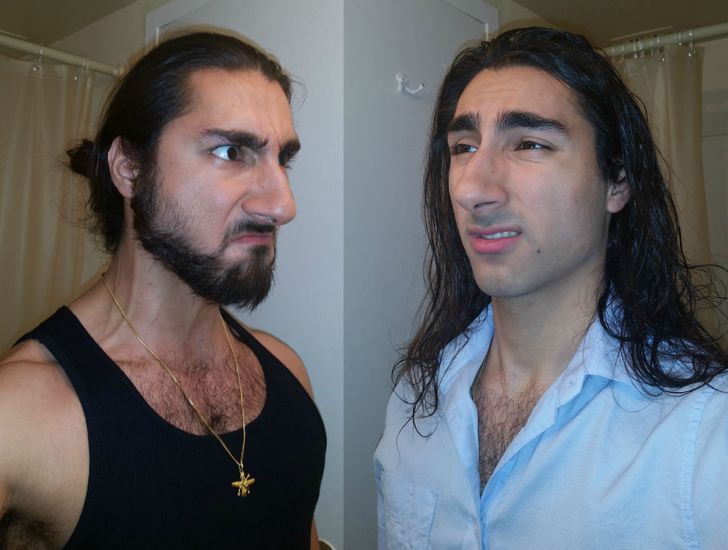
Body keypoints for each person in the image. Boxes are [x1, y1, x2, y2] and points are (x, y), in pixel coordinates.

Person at [375, 26, 728, 549]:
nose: (472, 188)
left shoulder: (705, 435)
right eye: (463, 147)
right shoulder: (415, 398)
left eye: (529, 144)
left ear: (617, 181)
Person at [0, 32, 325, 549]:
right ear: (129, 168)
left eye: (281, 159)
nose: (283, 206)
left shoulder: (288, 372)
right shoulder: (17, 416)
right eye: (231, 151)